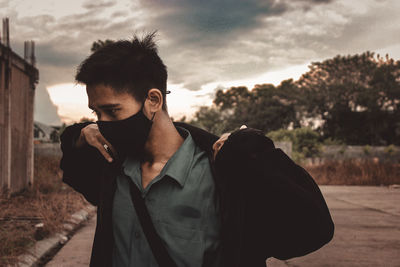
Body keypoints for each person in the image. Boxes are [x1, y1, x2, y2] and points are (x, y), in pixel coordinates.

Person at [60, 32, 334, 267]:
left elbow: (313, 228)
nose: (102, 124)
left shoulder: (221, 175)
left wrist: (255, 154)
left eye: (111, 111)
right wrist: (79, 135)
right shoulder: (111, 165)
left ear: (153, 100)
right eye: (96, 114)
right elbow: (71, 165)